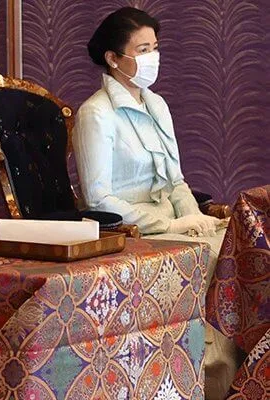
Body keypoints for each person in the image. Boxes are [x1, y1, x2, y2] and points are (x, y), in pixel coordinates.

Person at [73, 7, 242, 399]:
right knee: (210, 255)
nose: (153, 57)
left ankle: (246, 372)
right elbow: (98, 198)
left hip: (173, 223)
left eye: (155, 47)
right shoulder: (95, 114)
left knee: (237, 244)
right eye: (142, 49)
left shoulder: (158, 105)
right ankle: (208, 379)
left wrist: (193, 216)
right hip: (130, 230)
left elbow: (176, 180)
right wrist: (169, 225)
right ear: (114, 58)